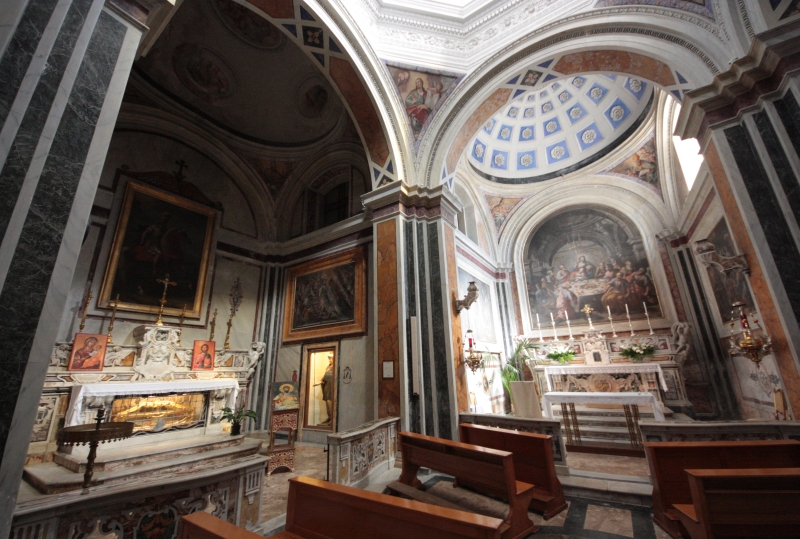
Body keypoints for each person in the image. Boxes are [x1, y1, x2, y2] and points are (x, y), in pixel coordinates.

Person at [319, 354, 334, 425]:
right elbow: (325, 375)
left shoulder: (335, 366)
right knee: (327, 401)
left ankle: (333, 418)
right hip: (327, 385)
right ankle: (329, 417)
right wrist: (323, 379)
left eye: (330, 358)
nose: (329, 360)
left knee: (330, 401)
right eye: (329, 358)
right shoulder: (328, 367)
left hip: (332, 385)